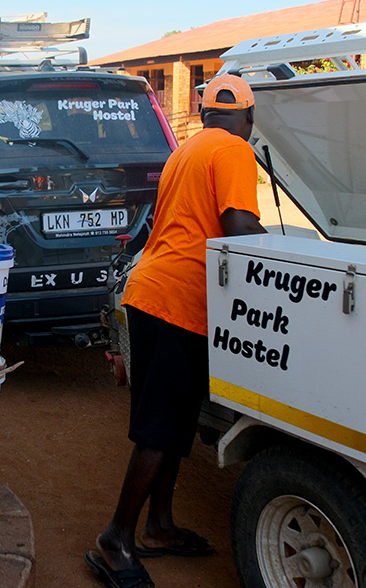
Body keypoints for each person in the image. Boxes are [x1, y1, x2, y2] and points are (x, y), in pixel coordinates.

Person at [86, 74, 267, 588]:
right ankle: (115, 539)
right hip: (179, 301)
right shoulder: (234, 150)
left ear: (206, 113)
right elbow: (238, 230)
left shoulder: (187, 150)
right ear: (248, 118)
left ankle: (159, 526)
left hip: (152, 292)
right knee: (162, 426)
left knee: (174, 421)